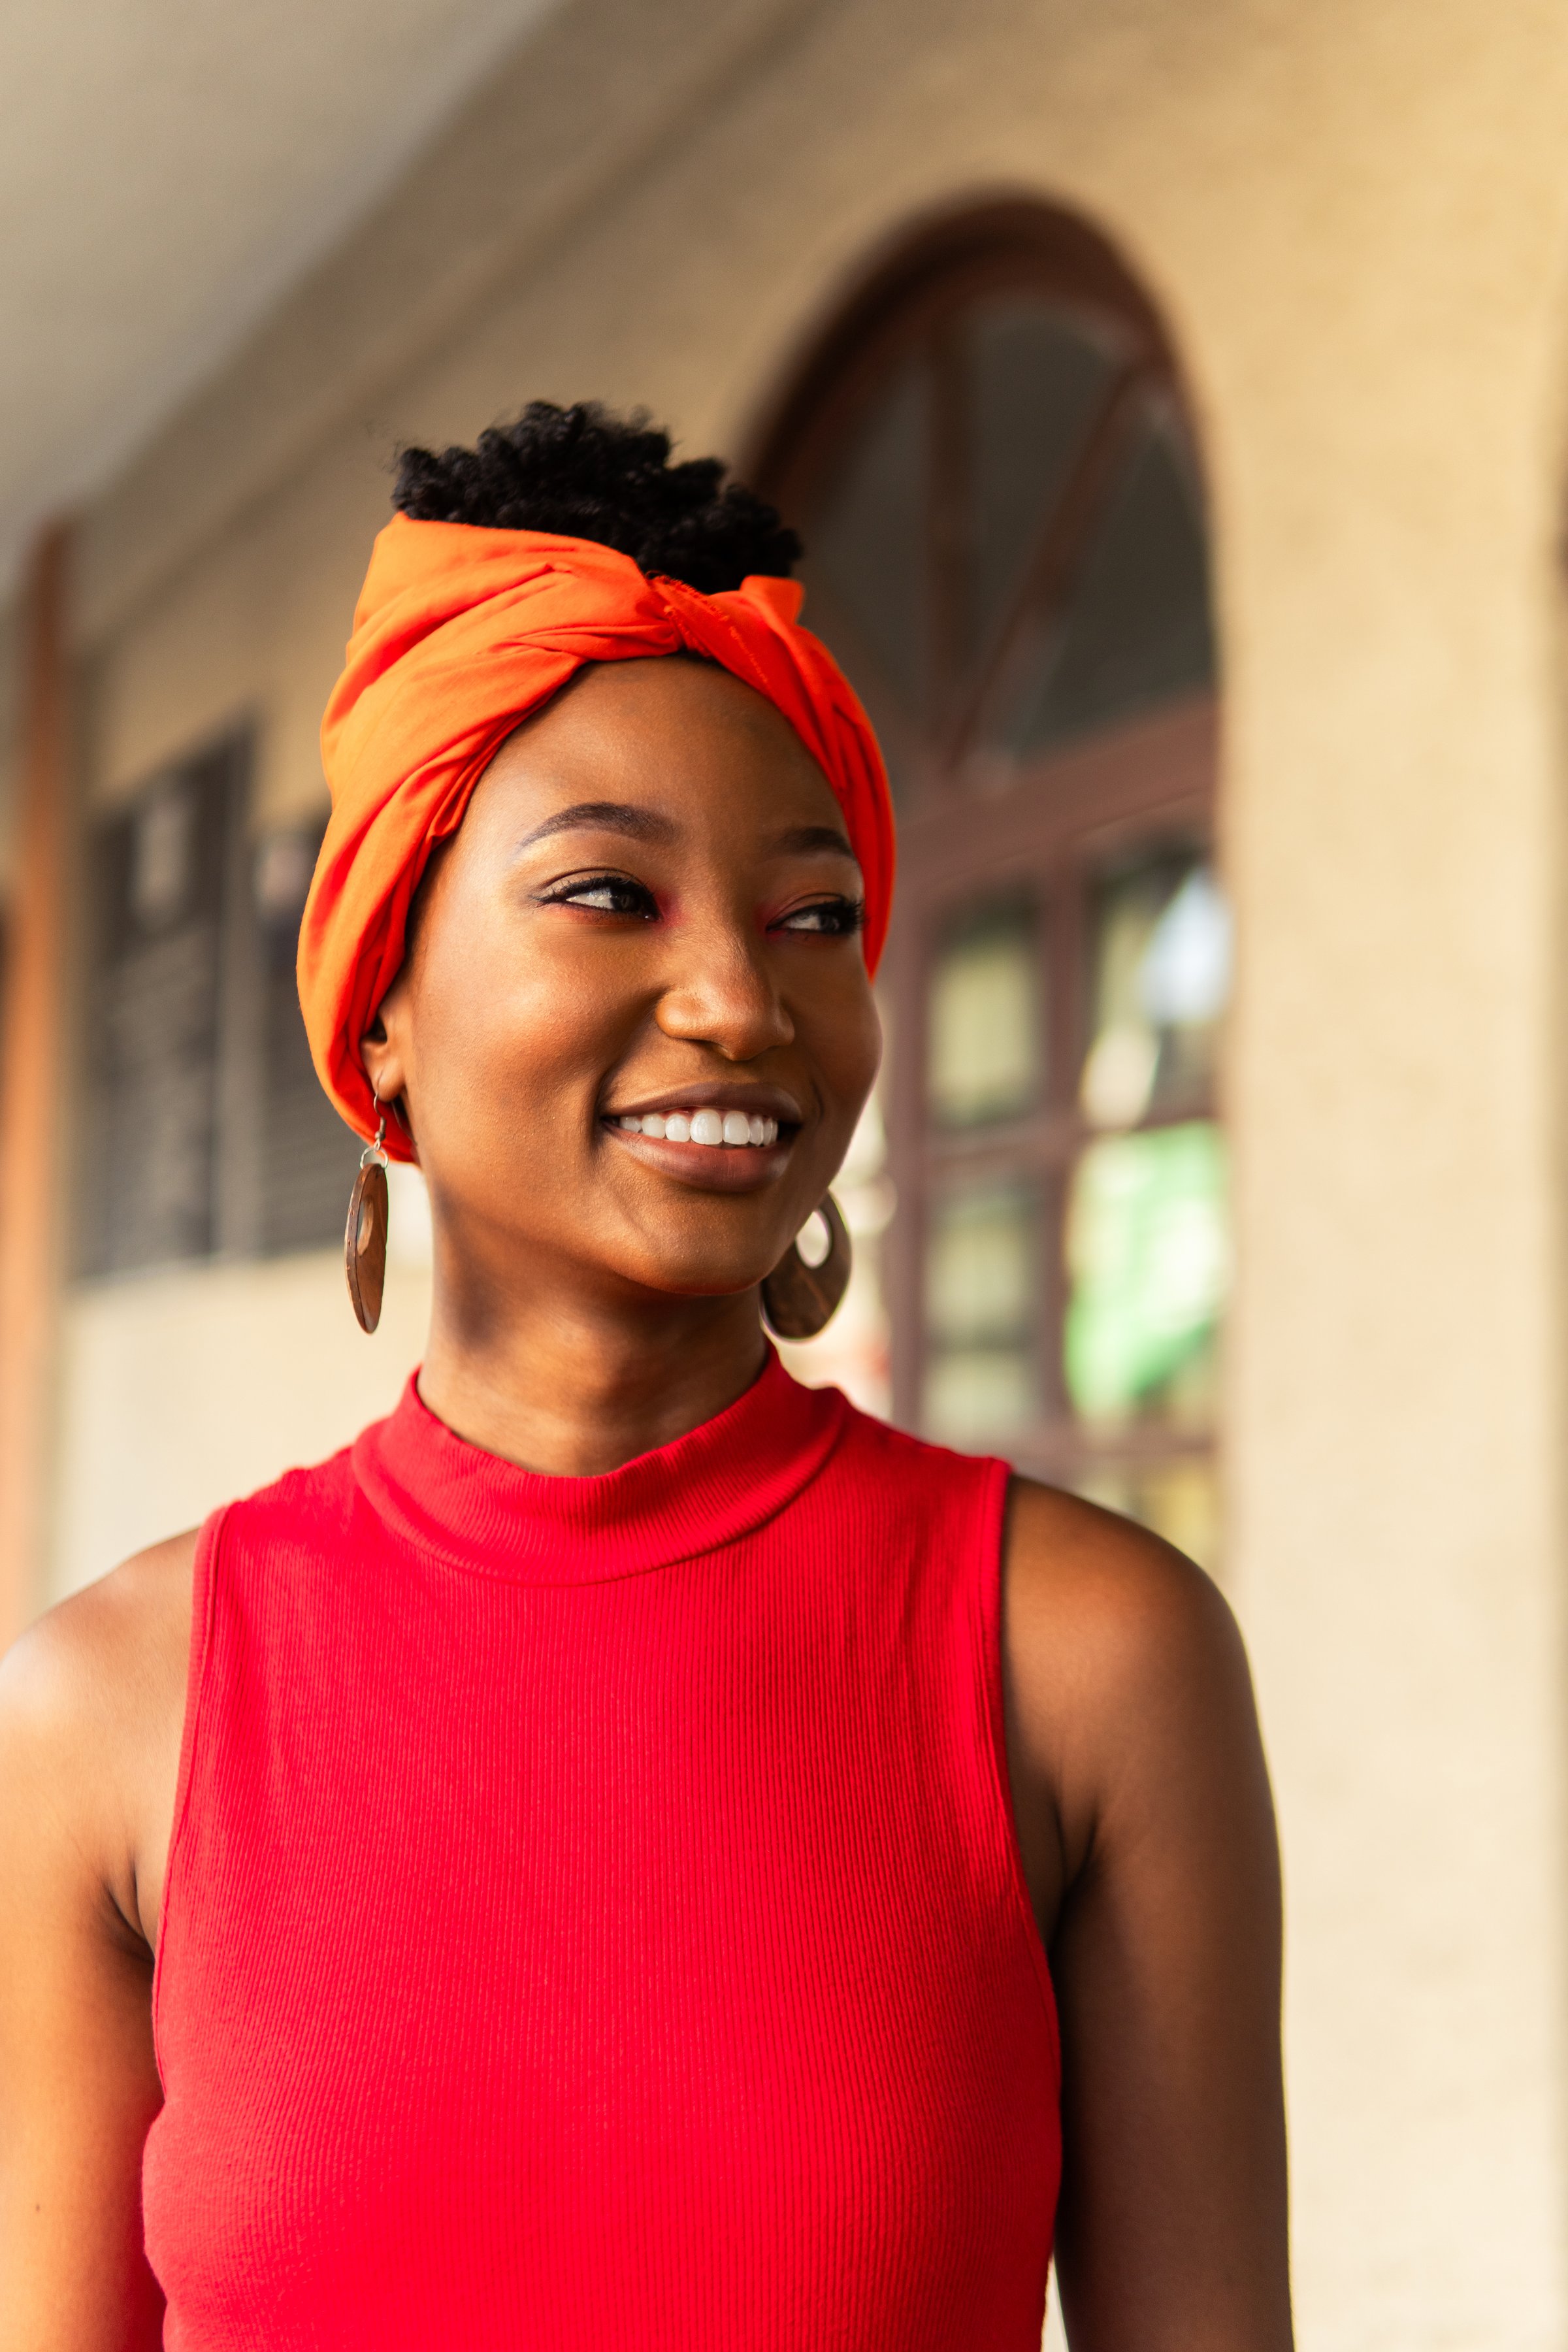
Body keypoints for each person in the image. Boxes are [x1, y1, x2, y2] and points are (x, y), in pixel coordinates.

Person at [0, 403, 1291, 2351]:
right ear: (383, 1007)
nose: (741, 1002)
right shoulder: (104, 1718)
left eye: (816, 917)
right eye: (611, 894)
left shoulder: (1089, 1657)